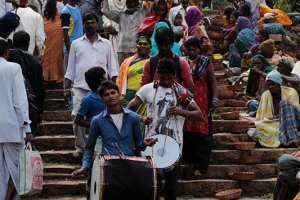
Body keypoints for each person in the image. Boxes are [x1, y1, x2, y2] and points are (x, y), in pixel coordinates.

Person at [127, 58, 203, 200]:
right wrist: (142, 118)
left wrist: (180, 112)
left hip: (175, 146)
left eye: (170, 78)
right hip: (150, 144)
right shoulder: (148, 89)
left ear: (174, 75)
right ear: (157, 74)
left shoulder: (181, 92)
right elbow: (128, 111)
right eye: (163, 78)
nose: (167, 82)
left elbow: (199, 115)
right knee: (152, 188)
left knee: (171, 190)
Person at [72, 80, 158, 197]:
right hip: (107, 167)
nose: (110, 96)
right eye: (106, 95)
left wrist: (144, 143)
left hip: (129, 165)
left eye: (113, 93)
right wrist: (85, 166)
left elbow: (138, 145)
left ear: (119, 95)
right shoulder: (97, 120)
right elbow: (89, 147)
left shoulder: (133, 117)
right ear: (102, 99)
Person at [64, 11, 118, 158]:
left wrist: (113, 88)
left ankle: (106, 144)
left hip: (102, 89)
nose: (89, 25)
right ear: (83, 25)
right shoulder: (76, 44)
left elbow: (113, 68)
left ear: (97, 24)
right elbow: (70, 68)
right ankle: (80, 148)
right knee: (77, 118)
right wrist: (66, 88)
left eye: (92, 22)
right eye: (86, 23)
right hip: (80, 87)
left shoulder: (106, 44)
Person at [0, 37, 34, 200]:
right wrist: (27, 128)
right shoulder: (13, 68)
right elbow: (20, 102)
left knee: (1, 171)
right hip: (12, 127)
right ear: (6, 53)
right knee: (17, 169)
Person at [183, 36, 218, 176]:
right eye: (189, 49)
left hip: (203, 103)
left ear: (199, 49)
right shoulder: (182, 62)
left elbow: (213, 82)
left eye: (195, 49)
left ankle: (201, 166)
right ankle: (189, 162)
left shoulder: (206, 62)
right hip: (185, 102)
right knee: (187, 133)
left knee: (203, 135)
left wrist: (215, 98)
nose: (192, 52)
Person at [8, 30, 45, 137]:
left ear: (13, 43)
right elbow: (41, 88)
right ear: (29, 43)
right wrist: (40, 110)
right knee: (29, 139)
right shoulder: (36, 62)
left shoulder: (10, 56)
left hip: (12, 105)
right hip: (31, 106)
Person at [140, 26, 195, 93]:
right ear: (157, 44)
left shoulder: (181, 62)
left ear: (172, 44)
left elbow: (190, 88)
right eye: (161, 45)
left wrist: (177, 97)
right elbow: (142, 89)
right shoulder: (150, 63)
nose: (163, 48)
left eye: (166, 44)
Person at [255, 70, 300, 148]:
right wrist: (274, 118)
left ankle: (293, 137)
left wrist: (276, 117)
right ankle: (286, 138)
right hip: (277, 123)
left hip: (294, 122)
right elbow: (261, 118)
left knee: (284, 104)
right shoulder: (265, 95)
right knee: (259, 125)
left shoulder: (291, 92)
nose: (270, 87)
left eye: (273, 84)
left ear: (279, 84)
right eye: (268, 85)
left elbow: (292, 114)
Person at [101, 0, 151, 65]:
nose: (129, 4)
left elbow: (155, 7)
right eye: (127, 2)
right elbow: (105, 11)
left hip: (136, 50)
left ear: (136, 3)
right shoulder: (120, 15)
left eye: (131, 1)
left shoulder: (143, 14)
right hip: (122, 50)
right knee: (123, 72)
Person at [116, 36, 152, 106]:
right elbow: (120, 79)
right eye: (140, 44)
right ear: (136, 46)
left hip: (144, 96)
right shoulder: (127, 62)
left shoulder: (153, 62)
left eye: (145, 44)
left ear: (150, 47)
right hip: (127, 96)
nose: (142, 46)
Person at [42, 0, 64, 84]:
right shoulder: (61, 6)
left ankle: (46, 76)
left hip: (46, 28)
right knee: (57, 52)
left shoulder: (44, 4)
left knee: (46, 52)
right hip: (58, 31)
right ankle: (56, 76)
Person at [60, 0, 83, 71]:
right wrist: (69, 49)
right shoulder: (65, 12)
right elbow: (65, 32)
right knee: (69, 73)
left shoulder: (77, 8)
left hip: (80, 47)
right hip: (70, 48)